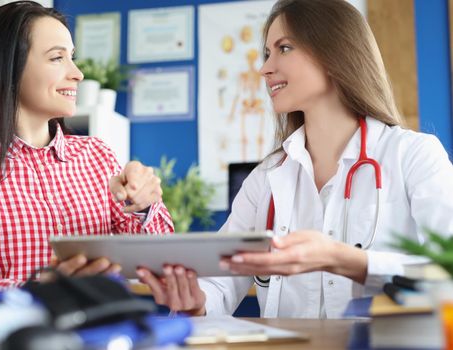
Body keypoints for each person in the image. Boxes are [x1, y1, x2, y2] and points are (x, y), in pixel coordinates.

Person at [137, 0, 453, 318]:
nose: (264, 68)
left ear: (335, 53)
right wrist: (196, 302)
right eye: (266, 53)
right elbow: (220, 286)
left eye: (284, 48)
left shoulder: (414, 156)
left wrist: (343, 260)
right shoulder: (266, 177)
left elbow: (448, 270)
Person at [0, 1, 173, 317]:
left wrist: (144, 206)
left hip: (99, 332)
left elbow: (155, 262)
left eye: (73, 58)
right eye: (57, 58)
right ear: (7, 67)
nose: (78, 74)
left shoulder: (96, 155)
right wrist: (39, 294)